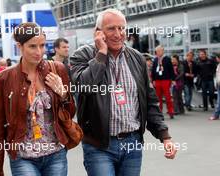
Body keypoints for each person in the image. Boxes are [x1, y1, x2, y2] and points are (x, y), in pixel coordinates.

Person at [70, 9, 177, 176]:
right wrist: (101, 54)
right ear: (98, 32)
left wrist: (165, 136)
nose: (118, 34)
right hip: (99, 145)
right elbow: (85, 86)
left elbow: (149, 100)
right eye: (111, 28)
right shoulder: (82, 55)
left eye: (122, 28)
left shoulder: (137, 58)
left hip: (132, 143)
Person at [0, 22, 76, 176]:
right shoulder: (3, 79)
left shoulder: (57, 69)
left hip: (55, 154)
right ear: (19, 46)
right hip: (23, 158)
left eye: (42, 45)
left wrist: (63, 94)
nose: (39, 52)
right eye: (32, 46)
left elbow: (70, 112)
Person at [152, 45, 176, 119]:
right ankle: (159, 113)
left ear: (162, 51)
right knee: (158, 98)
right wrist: (153, 80)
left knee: (168, 97)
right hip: (157, 80)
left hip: (166, 80)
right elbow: (153, 70)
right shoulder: (155, 59)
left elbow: (171, 69)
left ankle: (171, 112)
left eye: (159, 51)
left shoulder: (167, 59)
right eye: (157, 51)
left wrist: (173, 79)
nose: (158, 52)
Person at [209, 53, 220, 120]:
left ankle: (216, 115)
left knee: (219, 101)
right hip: (218, 84)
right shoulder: (218, 65)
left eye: (217, 57)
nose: (216, 59)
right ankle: (216, 115)